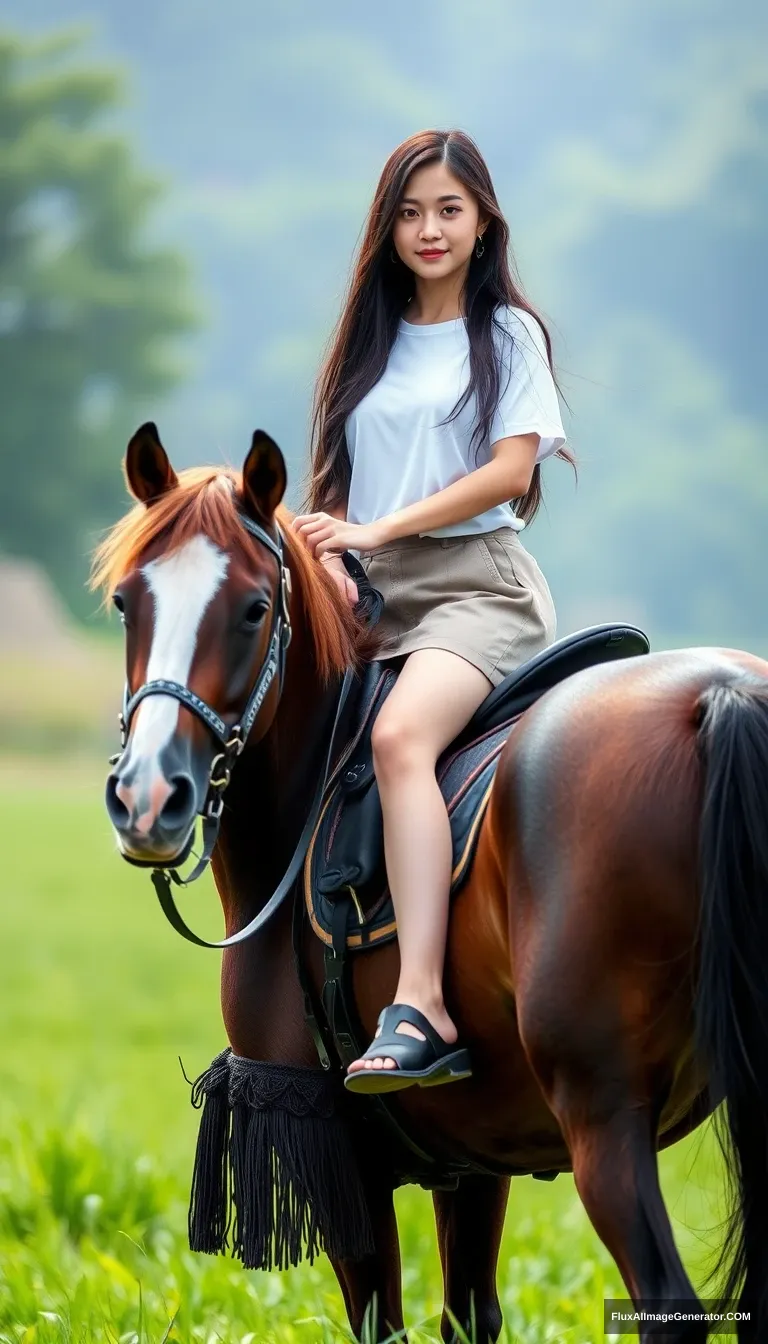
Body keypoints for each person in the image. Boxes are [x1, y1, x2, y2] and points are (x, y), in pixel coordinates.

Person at [291, 128, 572, 1095]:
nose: (429, 229)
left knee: (402, 739)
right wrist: (324, 548)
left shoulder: (506, 336)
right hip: (369, 591)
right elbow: (343, 483)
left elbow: (509, 470)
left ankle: (422, 1004)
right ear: (388, 227)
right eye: (410, 212)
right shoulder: (369, 340)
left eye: (449, 209)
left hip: (474, 588)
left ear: (484, 219)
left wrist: (377, 531)